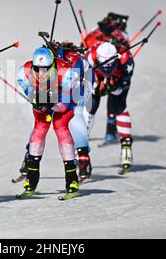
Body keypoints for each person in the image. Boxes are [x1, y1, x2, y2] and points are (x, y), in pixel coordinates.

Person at [15, 41, 94, 183]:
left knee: (62, 125)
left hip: (74, 91)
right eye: (37, 69)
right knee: (40, 125)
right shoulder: (24, 72)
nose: (41, 73)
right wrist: (38, 100)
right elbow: (30, 93)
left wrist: (50, 103)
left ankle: (79, 164)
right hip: (49, 92)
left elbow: (65, 104)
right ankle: (32, 167)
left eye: (45, 69)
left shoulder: (67, 73)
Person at [83, 38, 135, 174]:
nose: (106, 68)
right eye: (103, 65)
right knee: (90, 108)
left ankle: (126, 149)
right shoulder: (90, 57)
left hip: (117, 81)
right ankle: (81, 149)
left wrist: (113, 87)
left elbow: (124, 84)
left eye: (109, 65)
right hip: (96, 79)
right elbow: (84, 78)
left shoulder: (126, 61)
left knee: (120, 107)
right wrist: (95, 87)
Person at [84, 13, 130, 144]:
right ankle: (85, 133)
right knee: (94, 95)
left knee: (113, 93)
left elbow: (125, 51)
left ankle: (110, 129)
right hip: (96, 69)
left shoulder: (120, 34)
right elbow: (85, 46)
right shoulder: (99, 33)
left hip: (114, 70)